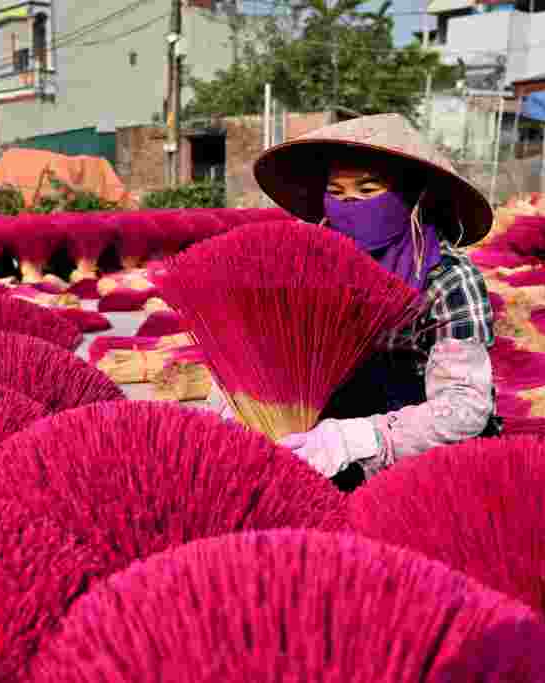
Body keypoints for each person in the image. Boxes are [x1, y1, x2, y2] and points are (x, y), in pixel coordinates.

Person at [209, 113, 501, 491]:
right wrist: (237, 404)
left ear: (411, 197)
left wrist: (359, 439)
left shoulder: (447, 278)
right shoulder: (306, 265)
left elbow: (464, 408)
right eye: (338, 194)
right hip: (325, 425)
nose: (352, 206)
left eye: (367, 191)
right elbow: (260, 353)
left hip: (420, 444)